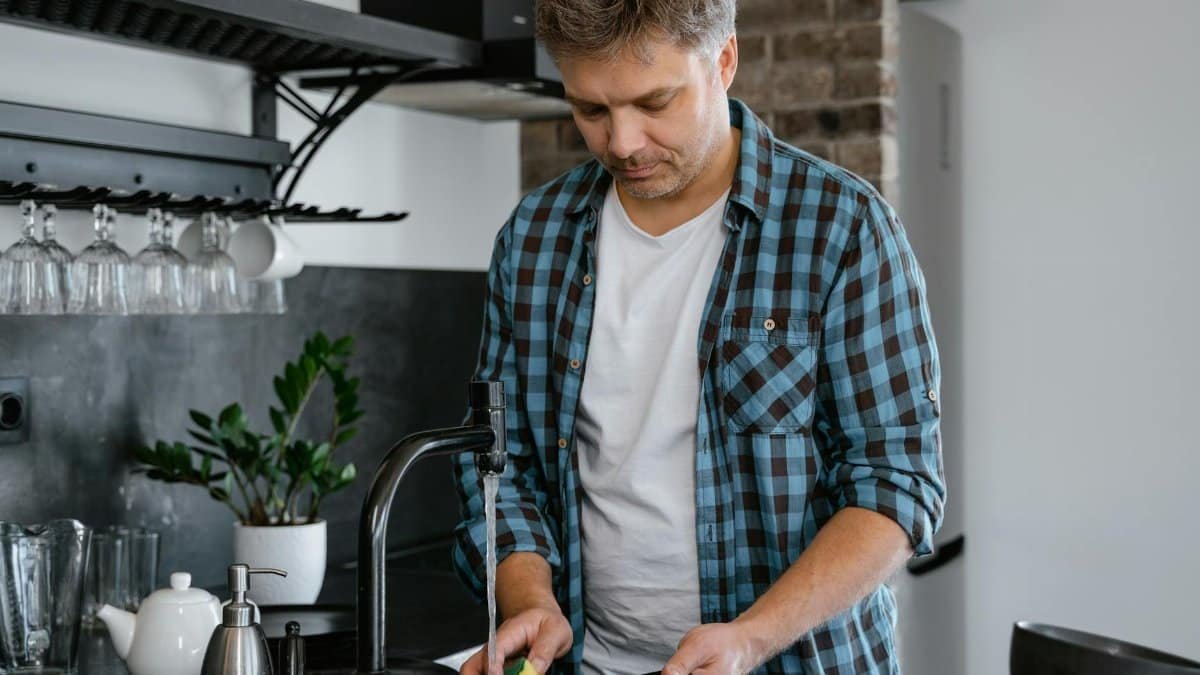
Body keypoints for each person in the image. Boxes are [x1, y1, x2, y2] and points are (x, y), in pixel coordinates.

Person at [453, 1, 945, 673]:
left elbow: (897, 487)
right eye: (591, 110)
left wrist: (752, 636)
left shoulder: (842, 228)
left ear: (725, 59)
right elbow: (499, 468)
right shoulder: (534, 239)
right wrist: (531, 600)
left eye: (655, 102)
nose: (621, 142)